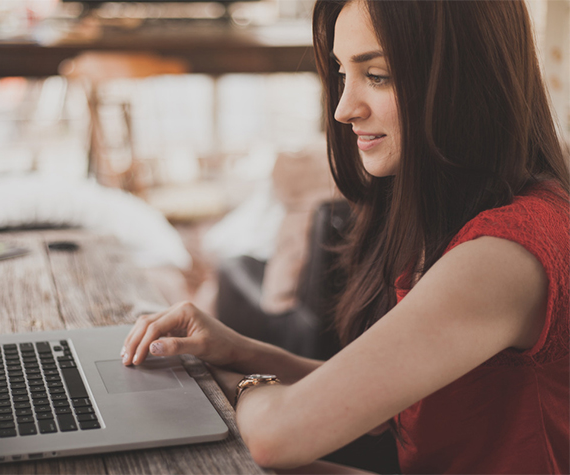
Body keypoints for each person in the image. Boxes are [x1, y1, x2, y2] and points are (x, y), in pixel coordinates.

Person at [121, 0, 570, 472]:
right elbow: (379, 402)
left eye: (376, 76)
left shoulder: (506, 254)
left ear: (466, 78)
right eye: (341, 74)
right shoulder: (452, 216)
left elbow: (277, 436)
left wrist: (237, 380)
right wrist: (239, 350)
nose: (342, 109)